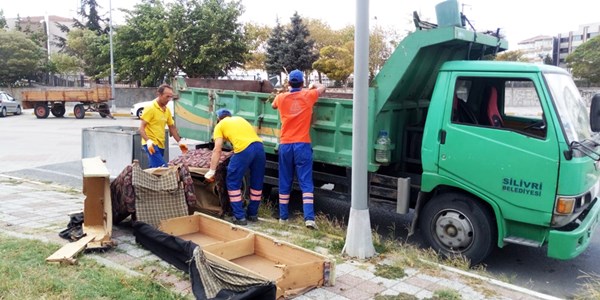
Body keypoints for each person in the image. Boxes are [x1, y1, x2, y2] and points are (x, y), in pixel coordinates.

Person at [271, 69, 326, 229]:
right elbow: (322, 88)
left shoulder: (280, 97)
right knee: (306, 182)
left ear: (289, 83)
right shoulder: (308, 96)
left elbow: (274, 105)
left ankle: (283, 217)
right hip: (302, 144)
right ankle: (309, 219)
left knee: (285, 180)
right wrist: (313, 85)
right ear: (302, 83)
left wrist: (285, 92)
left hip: (285, 144)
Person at [204, 108, 266, 226]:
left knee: (232, 181)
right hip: (259, 148)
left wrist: (211, 170)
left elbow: (217, 149)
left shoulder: (220, 125)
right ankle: (253, 214)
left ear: (218, 119)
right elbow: (245, 137)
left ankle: (239, 217)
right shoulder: (240, 119)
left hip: (244, 150)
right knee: (257, 183)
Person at [139, 83, 188, 168]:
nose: (169, 99)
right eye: (167, 96)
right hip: (151, 144)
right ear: (159, 94)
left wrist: (180, 142)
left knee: (154, 170)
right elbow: (141, 128)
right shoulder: (150, 108)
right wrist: (148, 141)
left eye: (170, 97)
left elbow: (171, 127)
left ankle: (148, 181)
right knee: (162, 168)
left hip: (161, 144)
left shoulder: (167, 110)